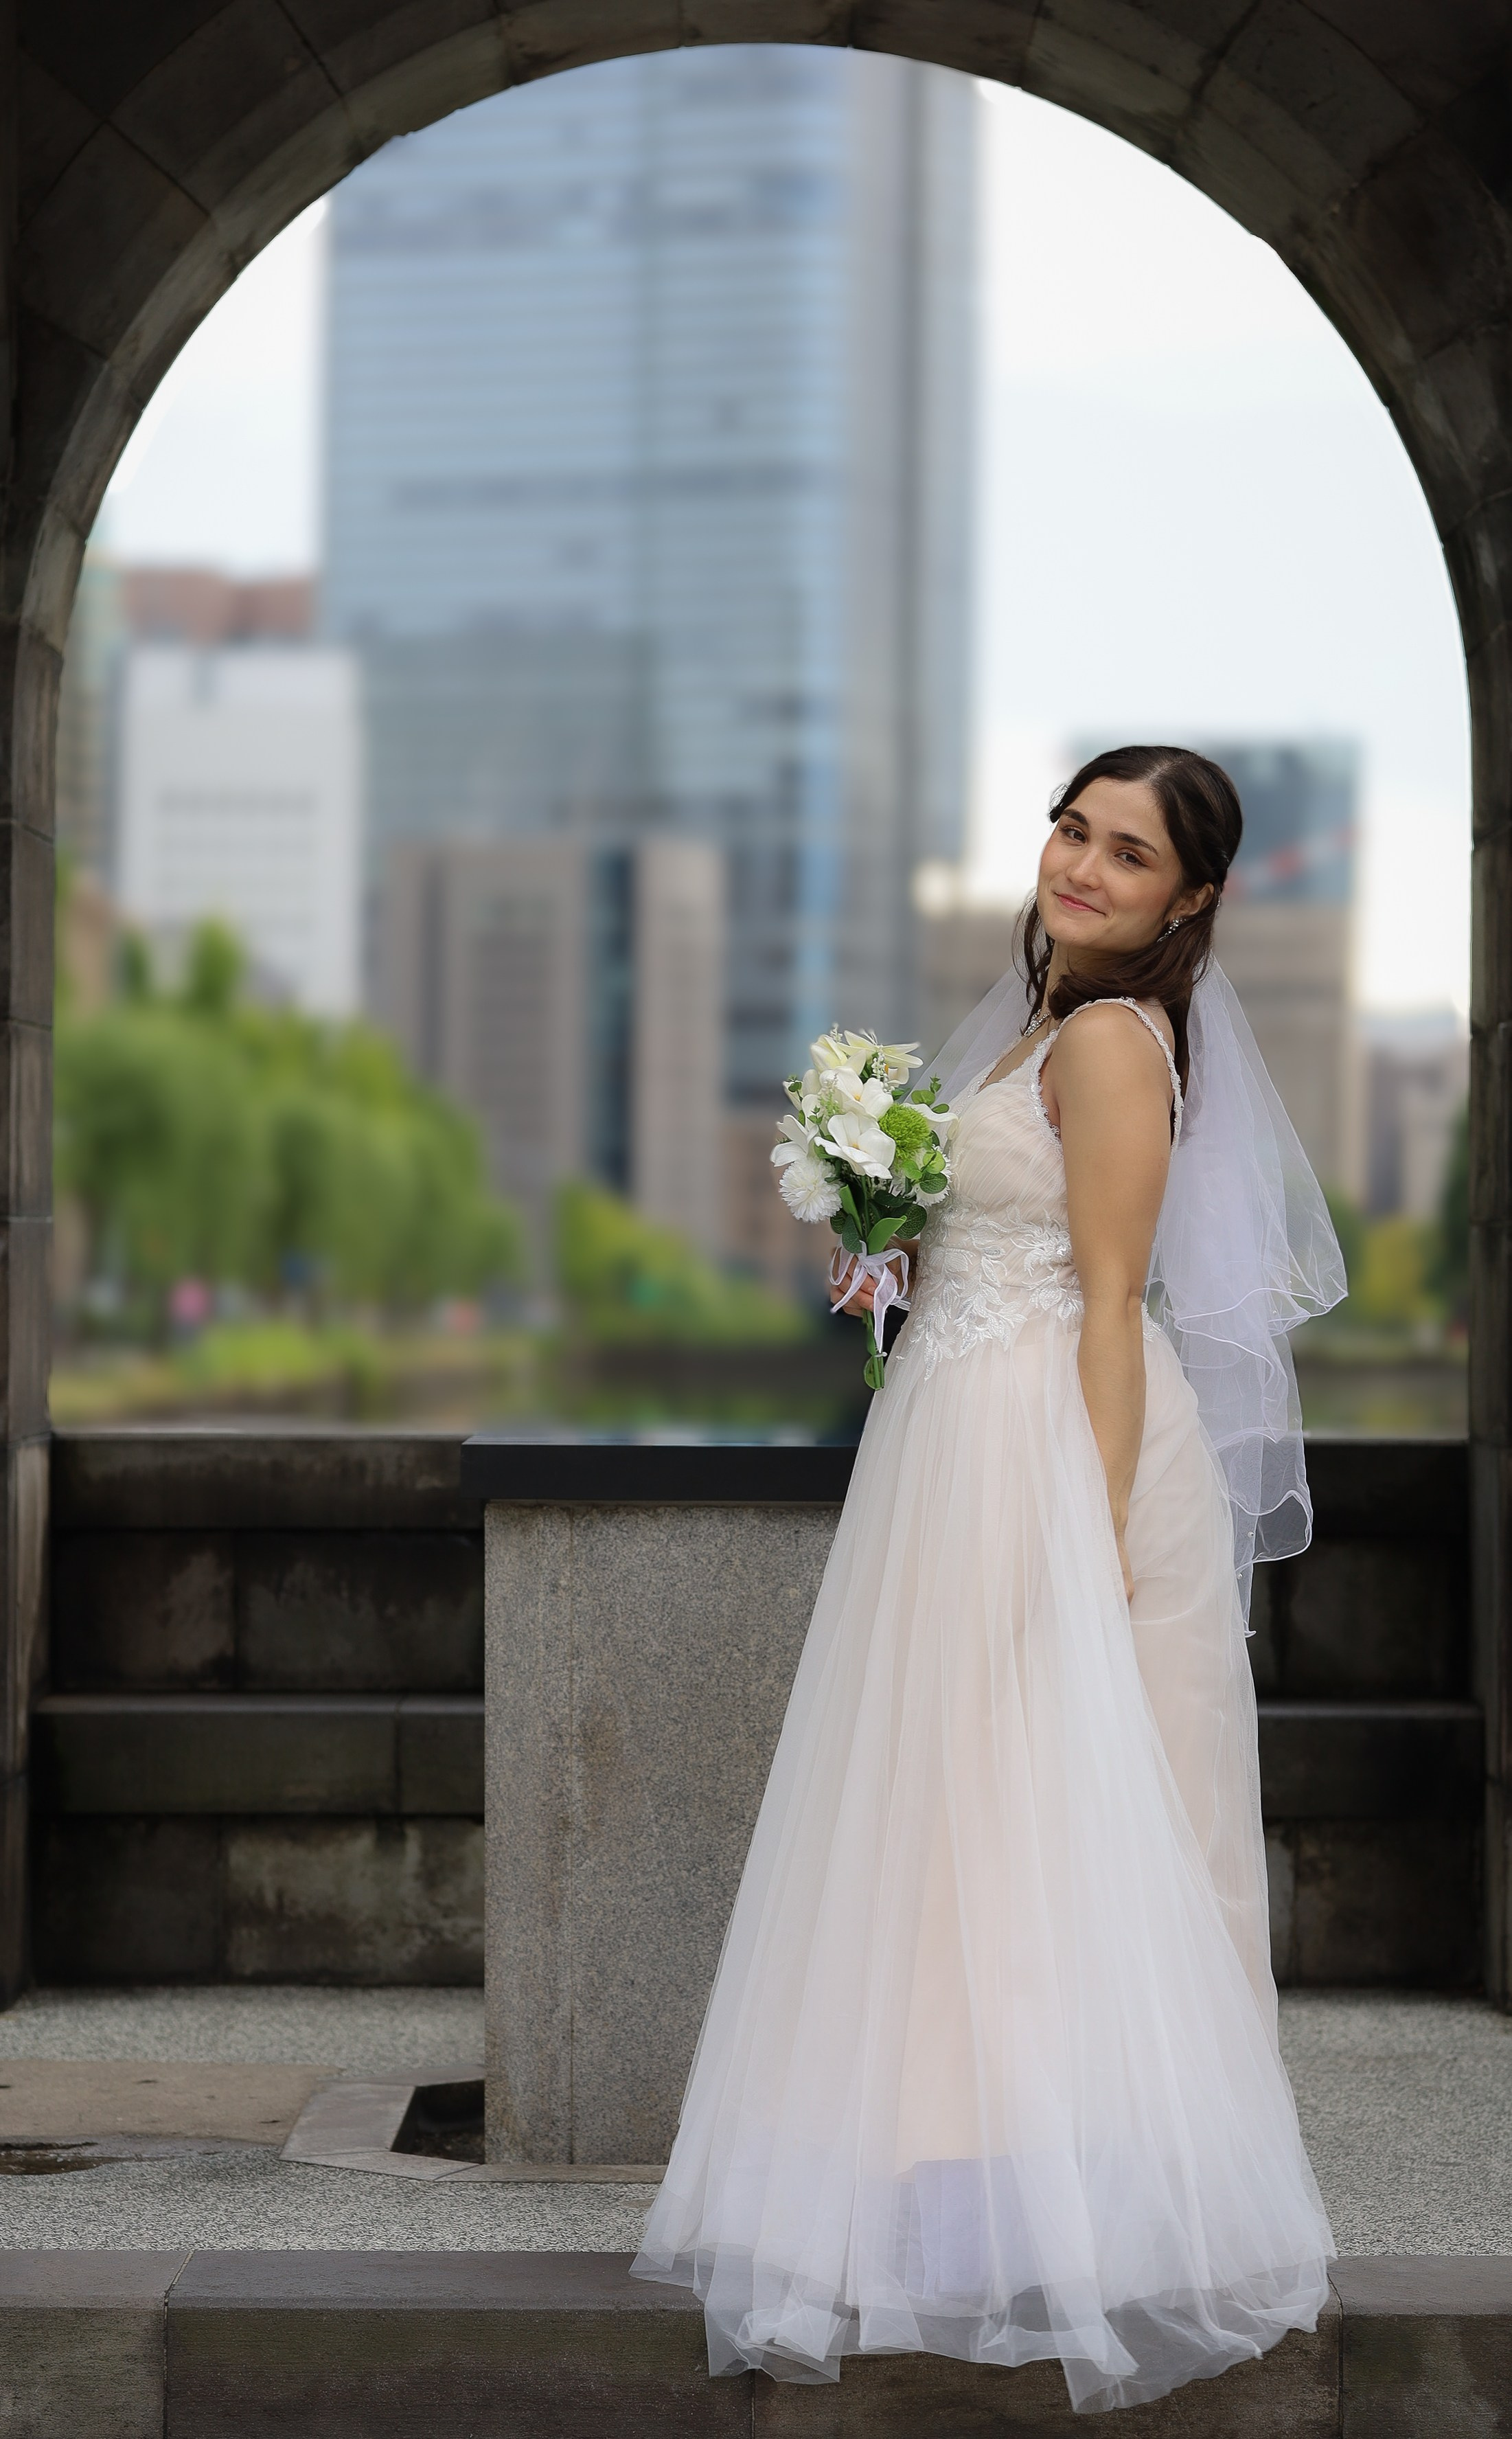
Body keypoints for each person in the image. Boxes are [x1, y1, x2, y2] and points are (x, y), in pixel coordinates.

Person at [632, 745, 1344, 2414]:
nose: (1085, 867)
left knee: (1056, 1806)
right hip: (960, 1432)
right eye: (1074, 830)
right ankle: (975, 2185)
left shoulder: (1107, 1041)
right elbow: (999, 1244)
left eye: (1130, 854)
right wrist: (891, 1237)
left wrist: (1083, 1551)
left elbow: (1110, 1303)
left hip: (1051, 1452)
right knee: (966, 1818)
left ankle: (1083, 2206)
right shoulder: (1039, 1027)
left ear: (1191, 899)